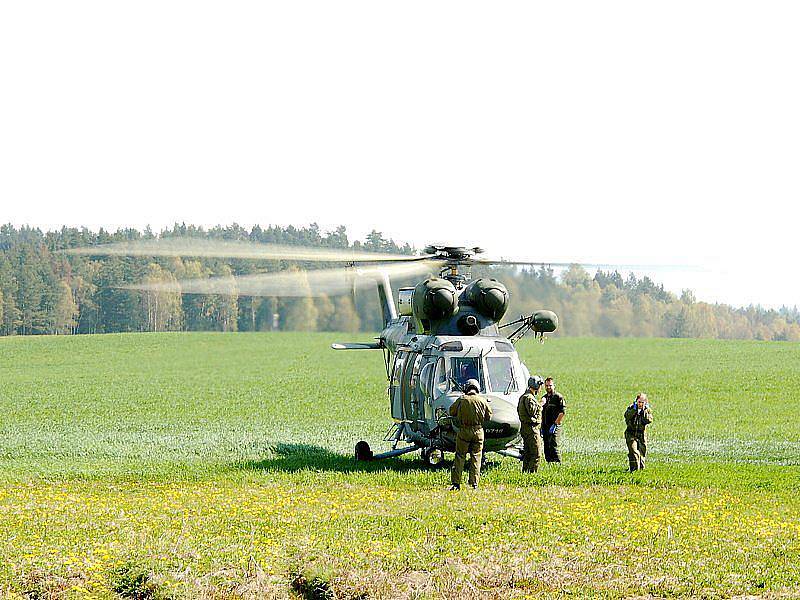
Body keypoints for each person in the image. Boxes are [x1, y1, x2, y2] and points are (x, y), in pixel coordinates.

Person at [449, 378, 492, 490]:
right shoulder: (482, 400)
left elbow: (451, 412)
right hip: (478, 431)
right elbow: (489, 416)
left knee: (460, 456)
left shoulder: (462, 399)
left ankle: (456, 483)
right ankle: (474, 484)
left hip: (464, 431)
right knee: (476, 457)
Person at [517, 375, 544, 473]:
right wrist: (540, 404)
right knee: (536, 454)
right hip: (531, 429)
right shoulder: (529, 398)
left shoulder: (524, 397)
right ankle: (531, 474)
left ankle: (525, 473)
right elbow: (532, 412)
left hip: (526, 428)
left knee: (528, 454)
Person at [624, 392, 653, 471]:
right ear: (636, 401)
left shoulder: (647, 410)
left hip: (641, 434)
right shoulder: (631, 408)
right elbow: (627, 416)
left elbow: (648, 420)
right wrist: (634, 410)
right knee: (634, 452)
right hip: (631, 433)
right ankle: (634, 470)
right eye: (639, 402)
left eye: (642, 402)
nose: (640, 404)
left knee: (642, 453)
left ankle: (641, 470)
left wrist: (644, 412)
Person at [541, 377, 566, 463]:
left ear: (554, 386)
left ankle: (557, 463)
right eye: (546, 385)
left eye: (550, 385)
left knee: (554, 446)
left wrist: (555, 424)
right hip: (545, 426)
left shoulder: (558, 397)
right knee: (546, 447)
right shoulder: (544, 398)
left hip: (554, 425)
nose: (548, 387)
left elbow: (562, 412)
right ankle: (549, 463)